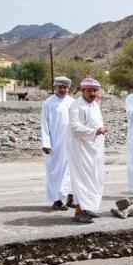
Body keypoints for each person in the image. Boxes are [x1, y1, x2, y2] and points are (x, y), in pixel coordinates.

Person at [66, 77, 107, 224]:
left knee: (94, 178)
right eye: (90, 90)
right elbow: (75, 127)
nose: (93, 93)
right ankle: (78, 212)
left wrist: (98, 131)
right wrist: (95, 131)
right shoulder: (76, 106)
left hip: (94, 149)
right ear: (83, 90)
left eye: (95, 90)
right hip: (80, 148)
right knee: (81, 180)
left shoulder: (94, 104)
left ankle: (87, 208)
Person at [40, 76, 75, 210]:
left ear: (68, 88)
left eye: (65, 87)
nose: (62, 89)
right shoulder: (49, 103)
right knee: (56, 172)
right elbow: (44, 124)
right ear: (55, 87)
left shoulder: (73, 102)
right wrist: (46, 143)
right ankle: (57, 200)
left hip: (72, 143)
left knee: (72, 171)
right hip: (55, 144)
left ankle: (71, 198)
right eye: (59, 87)